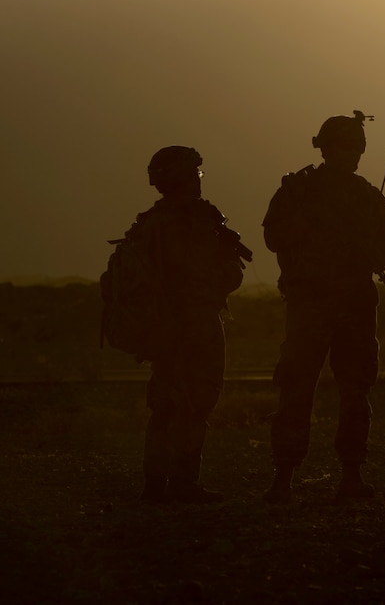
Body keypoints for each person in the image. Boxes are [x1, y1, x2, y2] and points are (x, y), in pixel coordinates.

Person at [262, 111, 385, 503]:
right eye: (344, 146)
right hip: (311, 303)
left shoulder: (367, 196)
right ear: (325, 148)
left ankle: (351, 475)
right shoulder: (298, 192)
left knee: (355, 391)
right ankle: (283, 478)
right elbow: (273, 238)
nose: (352, 153)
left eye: (357, 147)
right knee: (297, 388)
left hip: (354, 303)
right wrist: (316, 232)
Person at [129, 146, 250, 503]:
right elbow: (223, 275)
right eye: (196, 173)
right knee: (196, 401)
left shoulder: (149, 222)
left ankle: (155, 484)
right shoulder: (195, 220)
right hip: (195, 323)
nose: (199, 180)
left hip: (161, 326)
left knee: (165, 402)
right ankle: (183, 483)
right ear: (184, 177)